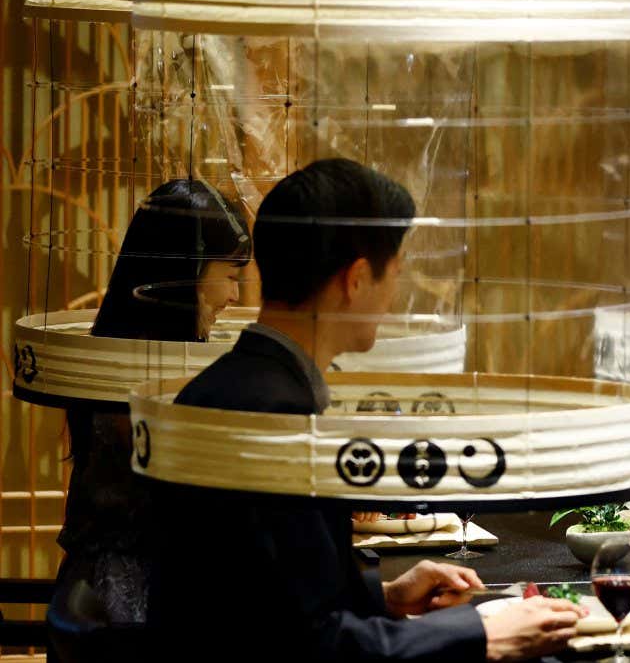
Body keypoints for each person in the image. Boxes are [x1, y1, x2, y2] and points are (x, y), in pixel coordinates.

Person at [147, 159, 584, 662]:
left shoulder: (236, 384)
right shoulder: (273, 413)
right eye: (393, 275)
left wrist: (385, 595)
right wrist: (484, 634)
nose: (393, 297)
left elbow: (266, 602)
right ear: (356, 279)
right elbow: (316, 647)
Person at [58, 178, 252, 624]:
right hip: (125, 599)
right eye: (230, 275)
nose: (235, 296)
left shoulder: (135, 349)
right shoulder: (134, 372)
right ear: (188, 271)